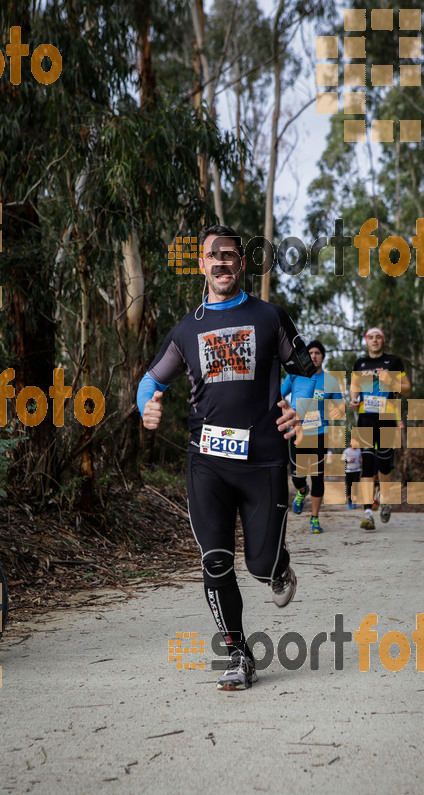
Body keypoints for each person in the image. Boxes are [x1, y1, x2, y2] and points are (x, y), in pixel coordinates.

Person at [137, 225, 315, 691]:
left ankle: (278, 569)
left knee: (259, 566)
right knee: (214, 561)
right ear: (201, 264)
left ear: (242, 262)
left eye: (230, 255)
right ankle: (238, 653)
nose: (221, 262)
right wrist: (147, 408)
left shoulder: (270, 317)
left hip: (265, 462)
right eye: (212, 256)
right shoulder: (187, 328)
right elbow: (151, 382)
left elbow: (305, 373)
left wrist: (300, 408)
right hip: (207, 463)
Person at [350, 327, 411, 531]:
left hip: (387, 417)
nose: (374, 340)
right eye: (371, 338)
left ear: (383, 341)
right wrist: (352, 398)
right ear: (366, 342)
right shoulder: (360, 363)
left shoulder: (393, 361)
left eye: (378, 337)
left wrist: (390, 380)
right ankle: (367, 511)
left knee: (385, 465)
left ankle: (385, 499)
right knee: (367, 462)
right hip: (365, 418)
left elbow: (407, 389)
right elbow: (354, 385)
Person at [281, 341, 344, 533]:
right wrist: (288, 410)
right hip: (298, 433)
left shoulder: (330, 381)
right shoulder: (294, 376)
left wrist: (336, 411)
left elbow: (340, 407)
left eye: (317, 353)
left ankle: (314, 518)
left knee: (317, 477)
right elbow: (279, 396)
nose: (314, 356)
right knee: (298, 477)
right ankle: (301, 491)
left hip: (319, 433)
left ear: (323, 357)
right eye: (310, 353)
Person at [343, 438, 361, 509]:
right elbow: (342, 459)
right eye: (352, 442)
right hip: (349, 471)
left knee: (356, 487)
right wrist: (348, 460)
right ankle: (349, 502)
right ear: (350, 443)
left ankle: (355, 502)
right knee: (349, 487)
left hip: (357, 470)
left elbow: (361, 458)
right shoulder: (346, 451)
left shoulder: (359, 451)